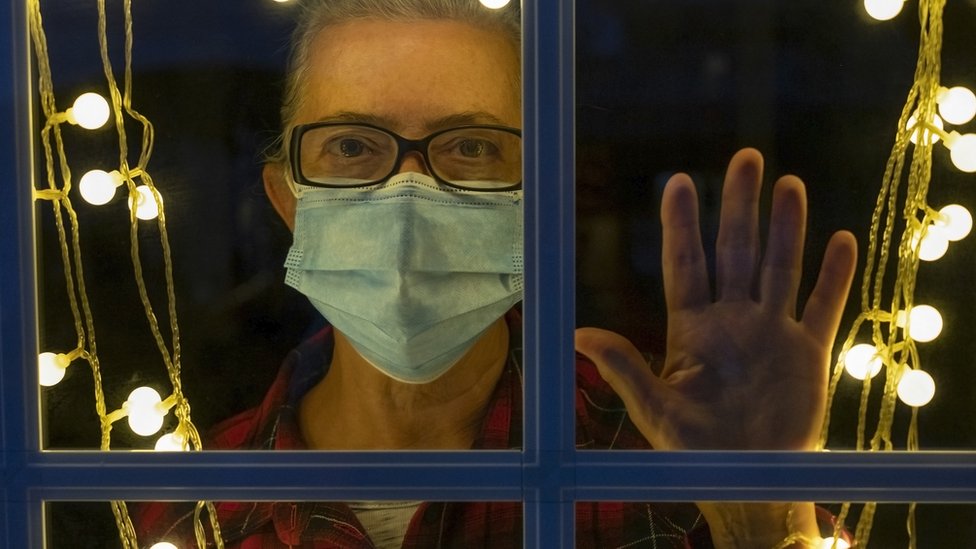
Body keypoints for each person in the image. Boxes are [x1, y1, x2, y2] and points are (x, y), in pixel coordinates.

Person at [136, 0, 858, 547]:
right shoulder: (195, 508)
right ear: (288, 199)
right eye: (352, 145)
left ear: (537, 198)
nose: (407, 194)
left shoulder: (658, 462)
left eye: (471, 147)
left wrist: (765, 511)